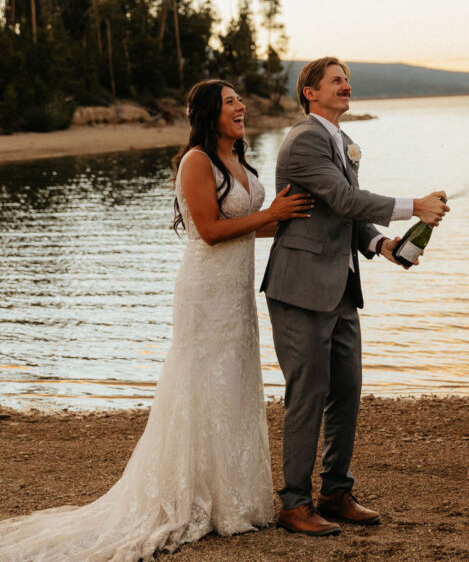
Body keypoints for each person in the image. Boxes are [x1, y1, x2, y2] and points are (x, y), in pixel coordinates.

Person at [0, 79, 312, 562]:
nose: (241, 106)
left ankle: (235, 499)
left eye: (239, 100)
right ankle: (189, 497)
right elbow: (209, 230)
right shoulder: (196, 161)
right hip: (205, 292)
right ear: (210, 112)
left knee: (233, 384)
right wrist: (272, 212)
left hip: (236, 295)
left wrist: (295, 219)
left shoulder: (239, 162)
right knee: (200, 384)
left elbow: (256, 225)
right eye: (230, 101)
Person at [260, 56, 449, 536]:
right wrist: (415, 206)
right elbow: (344, 200)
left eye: (348, 79)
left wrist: (380, 243)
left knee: (347, 390)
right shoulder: (304, 139)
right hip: (300, 287)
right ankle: (295, 504)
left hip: (341, 287)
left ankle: (337, 492)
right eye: (336, 80)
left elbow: (344, 215)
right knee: (308, 393)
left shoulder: (341, 141)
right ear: (310, 92)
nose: (346, 85)